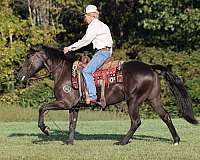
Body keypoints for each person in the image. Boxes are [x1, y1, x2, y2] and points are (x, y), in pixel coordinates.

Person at [64, 4, 113, 104]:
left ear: (91, 15)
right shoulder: (102, 25)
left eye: (85, 15)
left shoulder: (94, 25)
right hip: (105, 52)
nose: (84, 17)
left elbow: (85, 41)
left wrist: (70, 48)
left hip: (102, 53)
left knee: (86, 71)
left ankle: (92, 96)